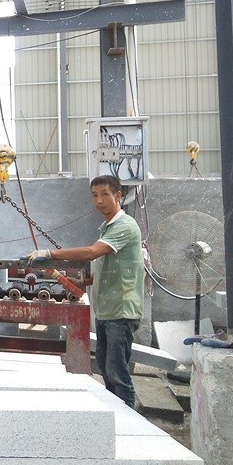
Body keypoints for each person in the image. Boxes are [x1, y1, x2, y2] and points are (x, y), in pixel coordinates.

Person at [26, 174, 143, 407]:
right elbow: (110, 266)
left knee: (117, 374)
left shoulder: (125, 225)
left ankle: (129, 421)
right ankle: (115, 415)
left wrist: (50, 254)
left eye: (105, 194)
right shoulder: (106, 228)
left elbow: (92, 253)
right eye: (94, 195)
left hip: (121, 311)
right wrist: (84, 282)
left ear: (118, 196)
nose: (99, 200)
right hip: (106, 310)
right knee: (107, 370)